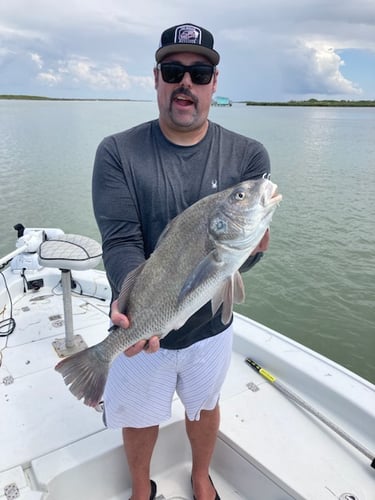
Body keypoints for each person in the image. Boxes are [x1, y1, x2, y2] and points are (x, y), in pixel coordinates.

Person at [92, 22, 271, 500]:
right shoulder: (117, 152)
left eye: (198, 73)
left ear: (215, 83)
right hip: (141, 321)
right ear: (156, 79)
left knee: (204, 407)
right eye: (173, 71)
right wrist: (129, 310)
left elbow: (236, 261)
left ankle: (198, 476)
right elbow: (121, 240)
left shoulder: (249, 155)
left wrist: (251, 251)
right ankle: (139, 489)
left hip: (211, 327)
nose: (185, 83)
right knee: (138, 416)